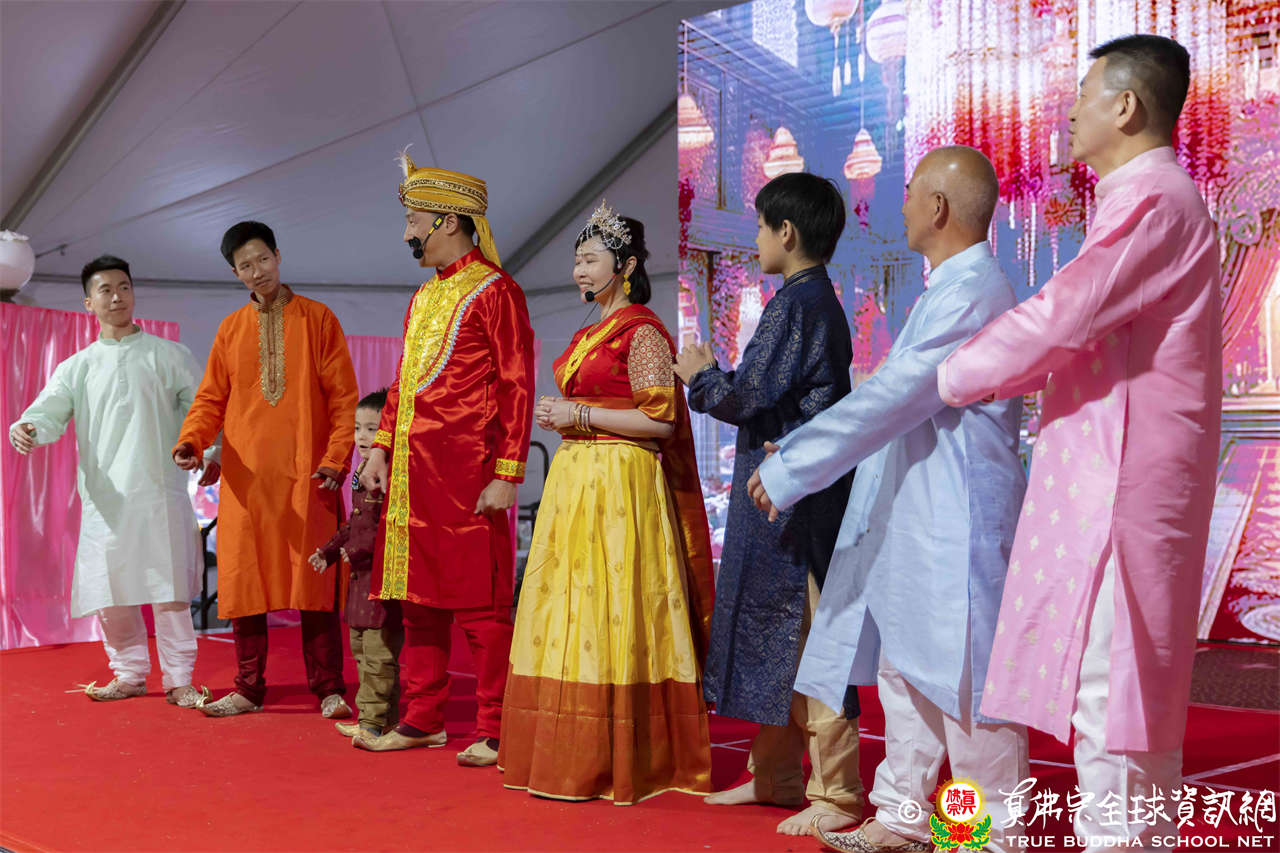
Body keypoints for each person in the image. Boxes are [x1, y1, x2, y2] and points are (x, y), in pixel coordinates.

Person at [937, 36, 1220, 851]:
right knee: (1119, 696)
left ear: (1125, 106)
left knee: (1113, 694)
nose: (1068, 111)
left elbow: (1068, 314)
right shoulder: (1145, 197)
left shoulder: (1154, 197)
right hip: (1116, 471)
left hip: (1121, 478)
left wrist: (949, 375)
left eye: (1082, 93)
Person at [749, 147, 1030, 853]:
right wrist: (800, 450)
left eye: (909, 193)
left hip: (958, 513)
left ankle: (988, 835)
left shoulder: (972, 292)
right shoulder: (947, 289)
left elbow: (895, 396)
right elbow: (891, 398)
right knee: (905, 667)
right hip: (918, 509)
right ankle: (904, 816)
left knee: (965, 685)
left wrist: (797, 463)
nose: (899, 205)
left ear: (938, 207)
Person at [497, 203, 715, 804]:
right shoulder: (589, 333)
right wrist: (565, 418)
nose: (579, 271)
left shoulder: (642, 331)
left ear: (627, 266)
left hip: (622, 485)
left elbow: (661, 420)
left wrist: (580, 413)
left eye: (591, 260)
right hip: (578, 481)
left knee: (616, 608)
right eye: (576, 260)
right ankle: (569, 748)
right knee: (574, 609)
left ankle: (624, 752)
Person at [674, 173, 863, 835]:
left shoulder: (797, 304)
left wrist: (700, 374)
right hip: (785, 490)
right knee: (781, 637)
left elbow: (746, 395)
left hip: (795, 497)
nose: (754, 238)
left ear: (787, 231)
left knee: (808, 636)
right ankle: (776, 776)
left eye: (759, 225)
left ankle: (837, 794)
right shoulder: (811, 300)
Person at [356, 153, 535, 767]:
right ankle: (423, 717)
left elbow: (517, 385)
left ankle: (496, 725)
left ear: (448, 221)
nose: (407, 233)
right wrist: (381, 449)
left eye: (414, 220)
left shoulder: (496, 291)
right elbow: (404, 381)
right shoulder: (423, 297)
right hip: (412, 476)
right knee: (418, 602)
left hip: (469, 475)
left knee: (482, 610)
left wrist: (507, 474)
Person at [173, 221, 359, 719]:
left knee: (314, 579)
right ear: (235, 274)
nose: (256, 271)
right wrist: (192, 441)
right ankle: (249, 689)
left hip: (308, 475)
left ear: (278, 255)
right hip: (247, 479)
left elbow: (344, 398)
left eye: (262, 259)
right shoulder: (231, 329)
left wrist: (335, 459)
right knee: (245, 581)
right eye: (244, 266)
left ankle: (329, 689)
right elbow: (211, 397)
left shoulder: (318, 319)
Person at [9, 255, 207, 706]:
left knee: (170, 592)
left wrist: (206, 452)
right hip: (105, 500)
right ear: (89, 302)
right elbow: (47, 411)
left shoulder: (169, 355)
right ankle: (129, 673)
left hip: (159, 494)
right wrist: (29, 427)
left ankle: (180, 679)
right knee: (110, 591)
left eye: (124, 287)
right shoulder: (77, 367)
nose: (117, 297)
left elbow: (202, 410)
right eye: (106, 290)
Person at [309, 388, 401, 742]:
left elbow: (386, 528)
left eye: (372, 429)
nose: (362, 436)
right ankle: (380, 719)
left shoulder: (389, 475)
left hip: (381, 583)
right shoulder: (360, 471)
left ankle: (372, 722)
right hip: (360, 583)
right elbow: (354, 524)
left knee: (378, 656)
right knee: (361, 652)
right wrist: (329, 551)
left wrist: (358, 551)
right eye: (358, 428)